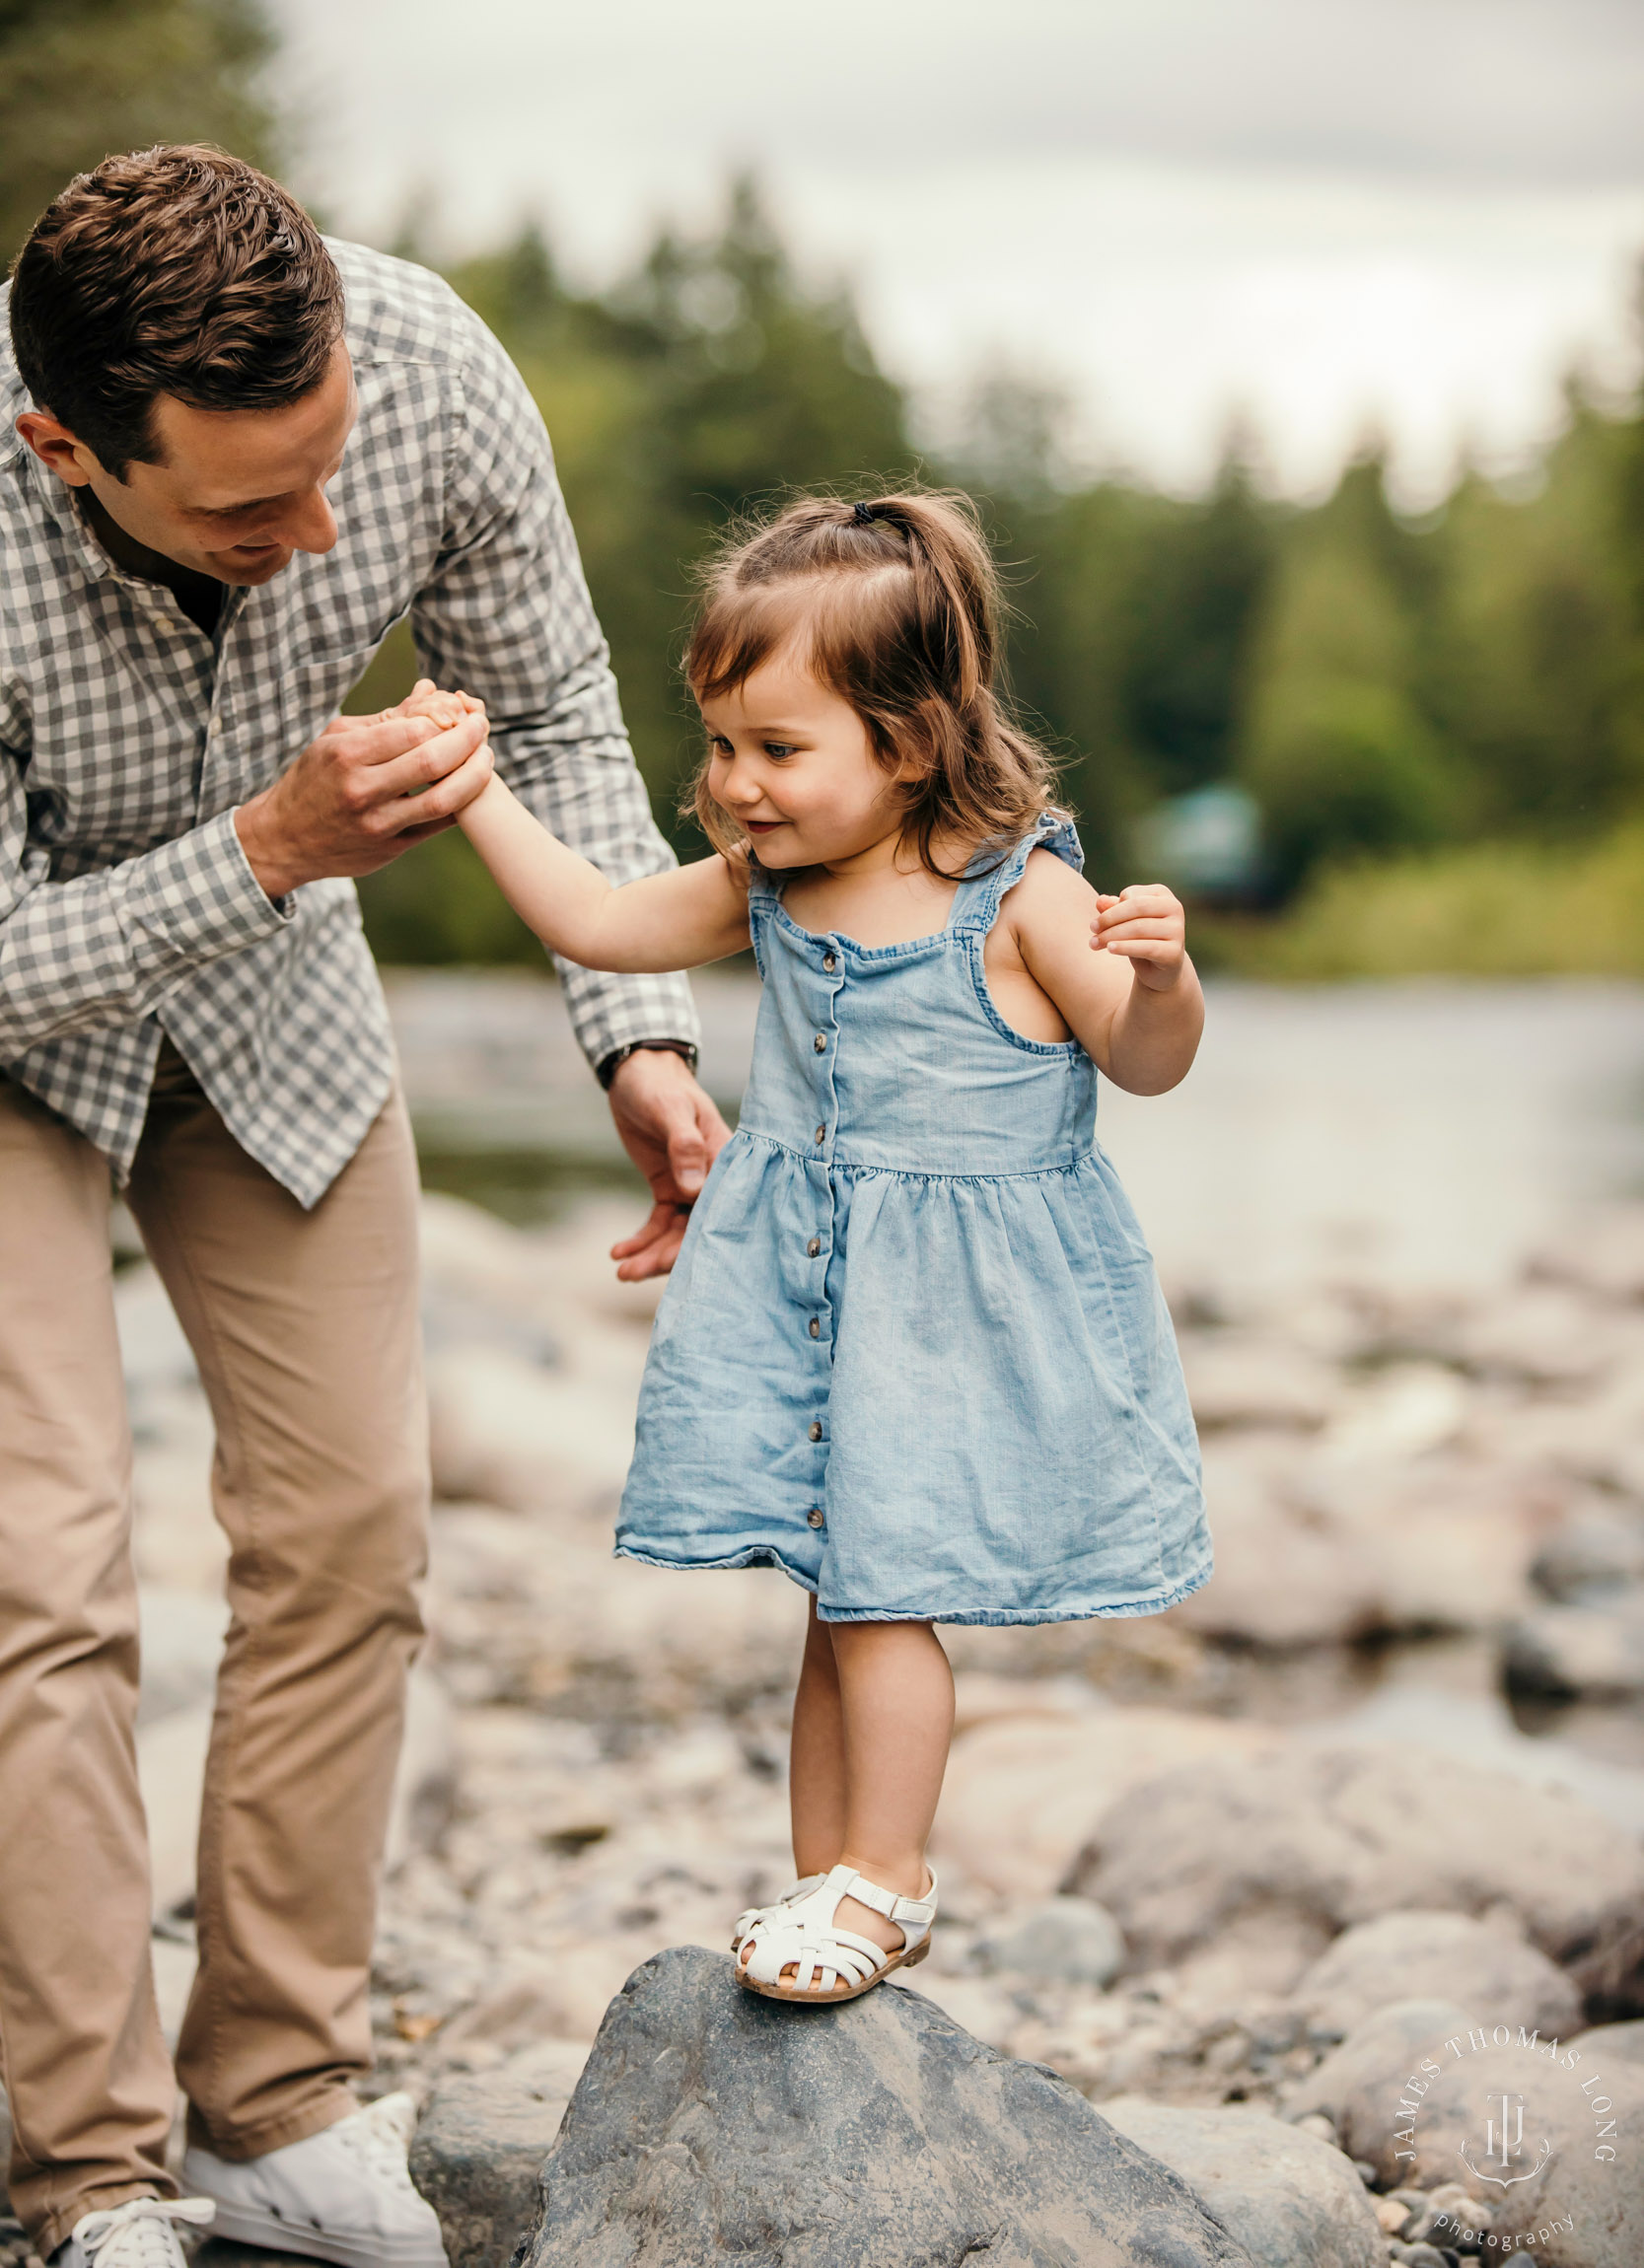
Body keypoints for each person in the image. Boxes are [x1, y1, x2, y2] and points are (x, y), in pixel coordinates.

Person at [0, 145, 727, 2268]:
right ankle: (87, 2175)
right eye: (251, 509)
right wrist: (265, 841)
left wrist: (639, 1035)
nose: (320, 534)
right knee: (43, 1573)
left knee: (349, 1529)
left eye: (328, 473)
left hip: (274, 998)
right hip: (33, 1007)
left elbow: (565, 705)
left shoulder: (420, 370)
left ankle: (275, 2098)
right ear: (67, 444)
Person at [402, 487, 1212, 2004]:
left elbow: (1145, 1063)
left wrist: (1162, 982)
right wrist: (476, 792)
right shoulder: (766, 885)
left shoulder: (1023, 896)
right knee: (837, 1608)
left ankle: (886, 1885)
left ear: (909, 740)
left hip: (956, 1318)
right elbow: (594, 921)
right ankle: (827, 1881)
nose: (737, 783)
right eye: (721, 744)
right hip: (812, 1298)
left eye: (778, 749)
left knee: (884, 1595)